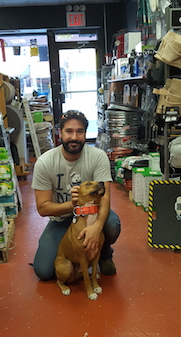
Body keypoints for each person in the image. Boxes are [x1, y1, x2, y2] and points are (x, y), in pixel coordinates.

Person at [31, 110, 121, 281]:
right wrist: (73, 205)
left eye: (79, 132)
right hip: (61, 220)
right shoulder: (45, 162)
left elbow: (106, 197)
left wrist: (96, 227)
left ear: (85, 134)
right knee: (44, 271)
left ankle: (103, 253)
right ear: (60, 133)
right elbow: (42, 208)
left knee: (111, 225)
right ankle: (76, 251)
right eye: (69, 131)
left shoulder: (98, 157)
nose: (74, 137)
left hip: (91, 215)